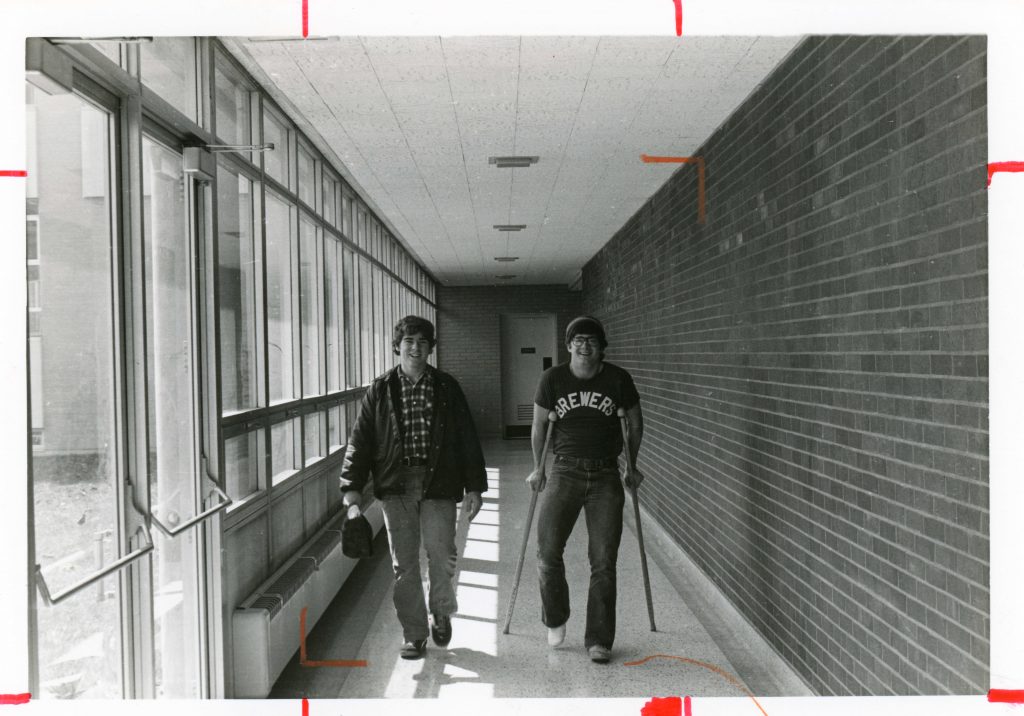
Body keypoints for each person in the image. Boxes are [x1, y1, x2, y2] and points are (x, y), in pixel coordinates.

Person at [340, 315, 487, 660]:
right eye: (409, 341)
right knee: (404, 565)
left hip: (440, 482)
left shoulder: (447, 387)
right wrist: (351, 489)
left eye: (422, 342)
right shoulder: (380, 389)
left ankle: (440, 610)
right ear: (397, 346)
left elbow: (467, 437)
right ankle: (415, 633)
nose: (415, 348)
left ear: (431, 347)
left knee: (442, 554)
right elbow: (360, 442)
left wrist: (474, 487)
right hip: (396, 486)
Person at [527, 315, 644, 664]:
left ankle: (599, 640)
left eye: (591, 340)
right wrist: (538, 468)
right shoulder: (553, 379)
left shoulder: (618, 379)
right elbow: (538, 426)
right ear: (568, 345)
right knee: (547, 551)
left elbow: (635, 423)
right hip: (565, 471)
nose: (585, 345)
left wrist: (632, 464)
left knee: (604, 560)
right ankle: (555, 617)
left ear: (601, 346)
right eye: (578, 340)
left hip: (606, 474)